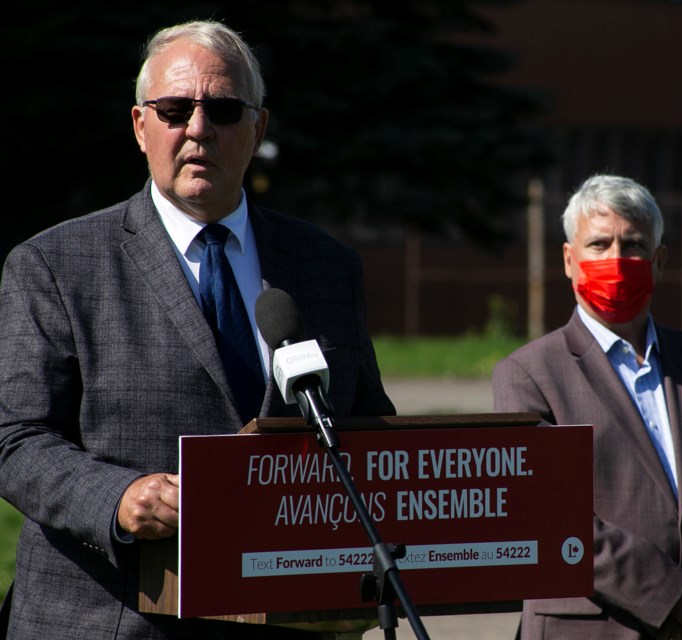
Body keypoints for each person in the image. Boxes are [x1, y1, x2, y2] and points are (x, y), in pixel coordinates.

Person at [0, 19, 395, 639]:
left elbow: (368, 425)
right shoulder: (54, 264)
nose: (199, 129)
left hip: (288, 617)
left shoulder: (325, 266)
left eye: (225, 110)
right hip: (113, 618)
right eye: (175, 109)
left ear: (258, 128)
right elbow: (16, 438)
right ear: (140, 126)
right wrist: (120, 499)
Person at [492, 174, 682, 640]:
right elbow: (549, 513)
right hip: (591, 628)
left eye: (632, 245)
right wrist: (676, 596)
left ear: (659, 260)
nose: (616, 260)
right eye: (598, 244)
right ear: (569, 260)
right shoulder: (528, 375)